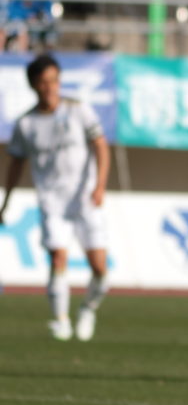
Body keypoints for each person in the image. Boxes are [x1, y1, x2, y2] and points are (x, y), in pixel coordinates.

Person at [0, 54, 111, 341]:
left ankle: (88, 307)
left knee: (100, 267)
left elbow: (100, 146)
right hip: (52, 200)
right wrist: (6, 201)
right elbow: (16, 165)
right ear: (33, 85)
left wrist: (99, 186)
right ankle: (61, 320)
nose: (50, 87)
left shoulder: (78, 110)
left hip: (84, 198)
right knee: (58, 256)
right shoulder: (26, 123)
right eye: (43, 82)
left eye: (54, 81)